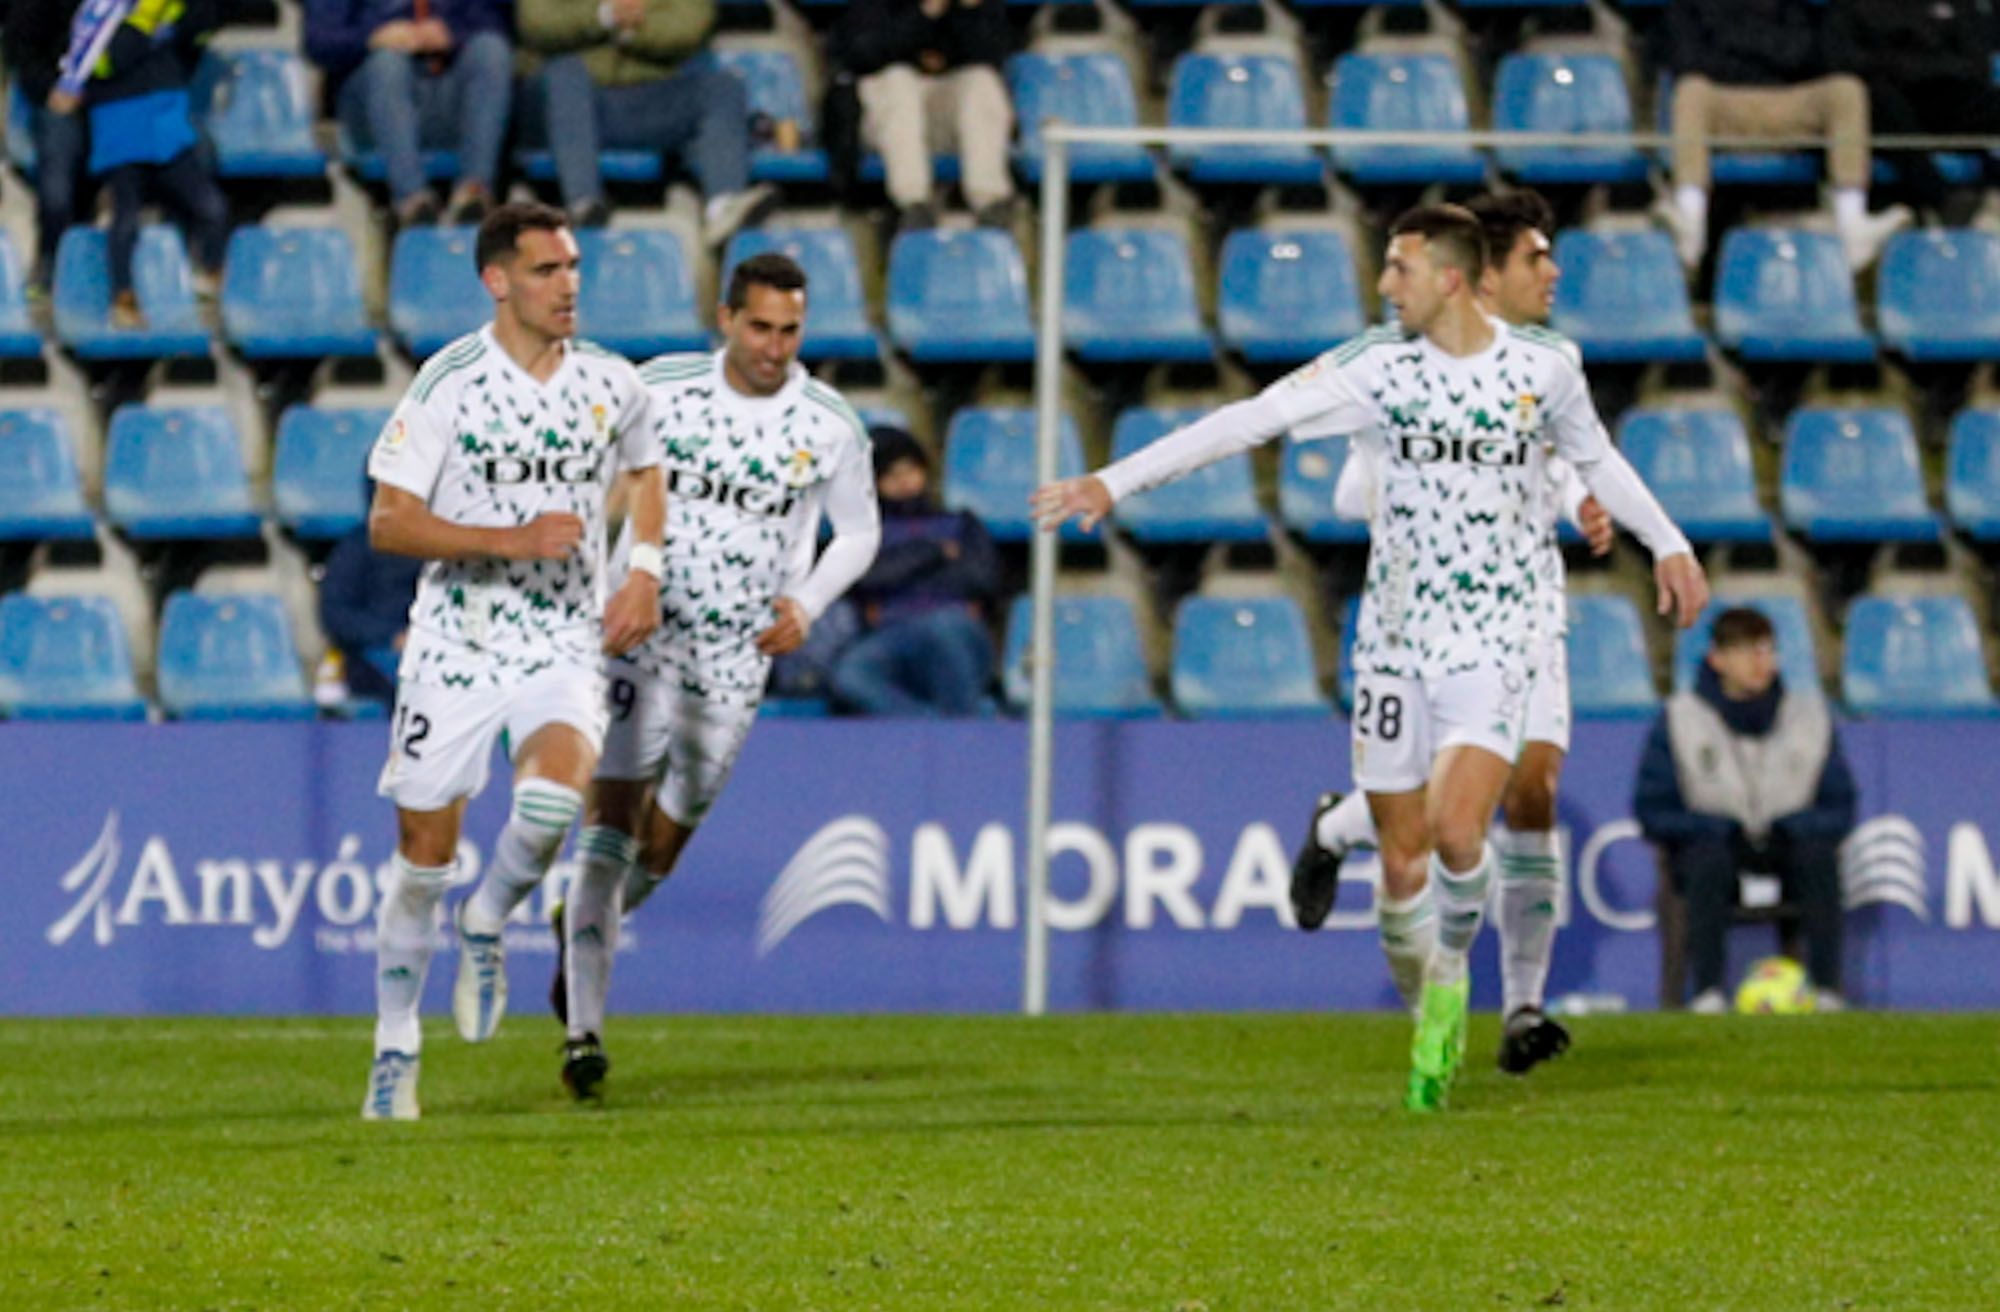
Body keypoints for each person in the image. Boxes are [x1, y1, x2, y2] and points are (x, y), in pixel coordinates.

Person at [1035, 204, 1708, 1111]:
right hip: (1394, 645)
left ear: (1451, 278)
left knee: (1463, 830)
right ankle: (1422, 978)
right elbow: (1246, 421)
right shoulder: (1374, 371)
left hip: (1496, 635)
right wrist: (1112, 481)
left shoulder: (1545, 369)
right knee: (1402, 862)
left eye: (1400, 268)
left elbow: (1599, 458)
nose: (1385, 285)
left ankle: (1452, 983)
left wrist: (1666, 541)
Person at [1289, 190, 1615, 1077]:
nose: (1552, 273)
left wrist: (1585, 503)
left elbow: (1577, 460)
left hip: (1522, 617)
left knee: (1533, 787)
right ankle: (1337, 829)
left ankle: (1522, 1007)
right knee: (1434, 824)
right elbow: (1353, 492)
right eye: (1537, 259)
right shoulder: (1404, 365)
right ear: (1489, 273)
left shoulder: (1545, 365)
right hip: (1425, 621)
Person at [359, 201, 667, 1121]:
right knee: (421, 860)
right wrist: (513, 535)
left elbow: (647, 474)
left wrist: (643, 569)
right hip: (457, 638)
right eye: (545, 270)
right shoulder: (451, 381)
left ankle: (488, 918)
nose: (568, 284)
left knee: (550, 801)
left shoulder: (613, 383)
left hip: (562, 635)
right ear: (498, 281)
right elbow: (389, 522)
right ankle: (395, 1045)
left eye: (572, 267)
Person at [551, 251, 881, 1101]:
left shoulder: (830, 424)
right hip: (639, 641)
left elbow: (858, 535)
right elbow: (599, 486)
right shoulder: (660, 389)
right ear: (727, 319)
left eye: (790, 330)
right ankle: (583, 1032)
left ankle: (583, 927)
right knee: (610, 828)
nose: (774, 346)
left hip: (736, 660)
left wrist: (806, 602)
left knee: (661, 847)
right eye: (761, 326)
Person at [1634, 607, 1855, 1014]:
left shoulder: (1808, 715)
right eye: (1747, 650)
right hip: (1715, 845)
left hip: (1787, 842)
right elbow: (1652, 809)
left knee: (1818, 856)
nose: (1761, 661)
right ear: (1717, 659)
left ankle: (1827, 991)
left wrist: (1797, 826)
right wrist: (1709, 828)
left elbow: (1840, 805)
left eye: (1767, 649)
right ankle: (1708, 993)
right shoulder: (1681, 717)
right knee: (1706, 859)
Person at [1658, 0, 1909, 272]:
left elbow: (1801, 54)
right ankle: (1690, 223)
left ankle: (1852, 225)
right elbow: (1688, 60)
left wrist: (1736, 49)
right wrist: (1766, 54)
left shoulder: (1789, 7)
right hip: (1725, 106)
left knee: (1845, 90)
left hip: (1786, 102)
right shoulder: (1689, 7)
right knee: (1690, 90)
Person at [516, 0, 775, 242]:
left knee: (722, 86)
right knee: (566, 73)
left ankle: (723, 206)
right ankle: (583, 205)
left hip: (642, 99)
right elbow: (536, 22)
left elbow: (690, 24)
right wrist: (603, 15)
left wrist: (631, 29)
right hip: (558, 105)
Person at [53, 0, 229, 329]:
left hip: (166, 120)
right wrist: (145, 17)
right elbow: (110, 60)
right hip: (119, 123)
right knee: (126, 216)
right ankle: (123, 298)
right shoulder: (96, 16)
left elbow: (198, 26)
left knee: (212, 207)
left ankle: (211, 278)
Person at [828, 426, 997, 717]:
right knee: (851, 676)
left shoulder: (961, 523)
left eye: (910, 471)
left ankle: (963, 728)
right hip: (894, 633)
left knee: (943, 629)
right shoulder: (863, 533)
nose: (905, 482)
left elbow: (982, 578)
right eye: (892, 476)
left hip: (954, 626)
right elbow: (866, 578)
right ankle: (937, 727)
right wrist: (933, 553)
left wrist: (898, 569)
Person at [304, 0, 513, 229]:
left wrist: (451, 32)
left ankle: (474, 195)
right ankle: (413, 203)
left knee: (491, 50)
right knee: (388, 64)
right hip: (372, 100)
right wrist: (373, 37)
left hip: (445, 92)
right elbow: (319, 40)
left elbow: (501, 22)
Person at [828, 0, 1016, 232]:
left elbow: (995, 55)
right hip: (884, 121)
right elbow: (862, 53)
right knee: (898, 80)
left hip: (947, 120)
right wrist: (925, 13)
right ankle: (913, 205)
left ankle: (991, 203)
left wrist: (969, 13)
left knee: (981, 82)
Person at [1825, 0, 2000, 224]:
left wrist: (1908, 67)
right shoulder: (1853, 7)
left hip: (1947, 97)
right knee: (1875, 98)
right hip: (1885, 105)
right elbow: (1843, 62)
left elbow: (1976, 65)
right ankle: (1943, 199)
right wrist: (1915, 67)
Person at [3, 0, 90, 296]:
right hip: (57, 103)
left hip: (116, 103)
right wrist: (51, 90)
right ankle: (51, 264)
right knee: (57, 195)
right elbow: (21, 49)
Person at [317, 475, 424, 704]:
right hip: (376, 656)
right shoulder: (356, 547)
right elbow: (336, 613)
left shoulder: (441, 548)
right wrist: (392, 636)